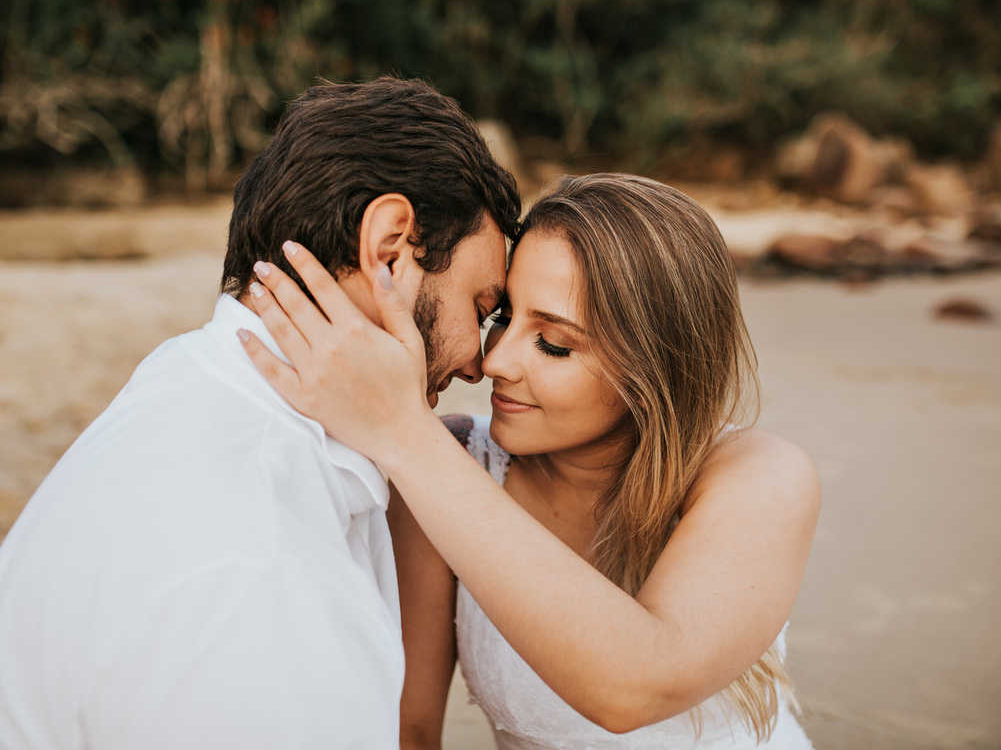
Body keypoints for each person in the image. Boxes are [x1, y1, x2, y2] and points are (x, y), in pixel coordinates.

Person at [0, 77, 522, 750]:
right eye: (479, 307)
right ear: (389, 248)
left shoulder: (191, 378)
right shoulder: (261, 574)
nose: (479, 361)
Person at [240, 173, 821, 749]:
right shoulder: (450, 465)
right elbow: (408, 731)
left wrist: (402, 430)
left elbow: (636, 687)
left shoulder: (758, 476)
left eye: (554, 344)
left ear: (653, 370)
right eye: (501, 318)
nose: (496, 362)